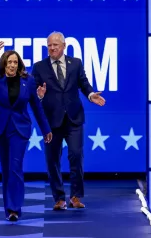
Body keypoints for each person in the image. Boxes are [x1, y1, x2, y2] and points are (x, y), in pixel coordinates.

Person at [0, 41, 52, 221]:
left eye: (15, 62)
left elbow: (36, 107)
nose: (12, 65)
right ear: (4, 64)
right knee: (6, 168)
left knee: (15, 166)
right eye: (9, 62)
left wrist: (45, 129)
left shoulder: (28, 81)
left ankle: (14, 208)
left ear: (19, 64)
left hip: (20, 129)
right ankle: (8, 209)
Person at [31, 31, 106, 210]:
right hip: (51, 121)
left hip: (74, 118)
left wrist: (90, 94)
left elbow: (84, 83)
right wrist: (39, 96)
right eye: (49, 45)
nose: (52, 48)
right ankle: (59, 198)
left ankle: (76, 197)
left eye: (55, 45)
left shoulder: (76, 64)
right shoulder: (39, 67)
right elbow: (33, 94)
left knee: (76, 156)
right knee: (52, 160)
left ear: (64, 46)